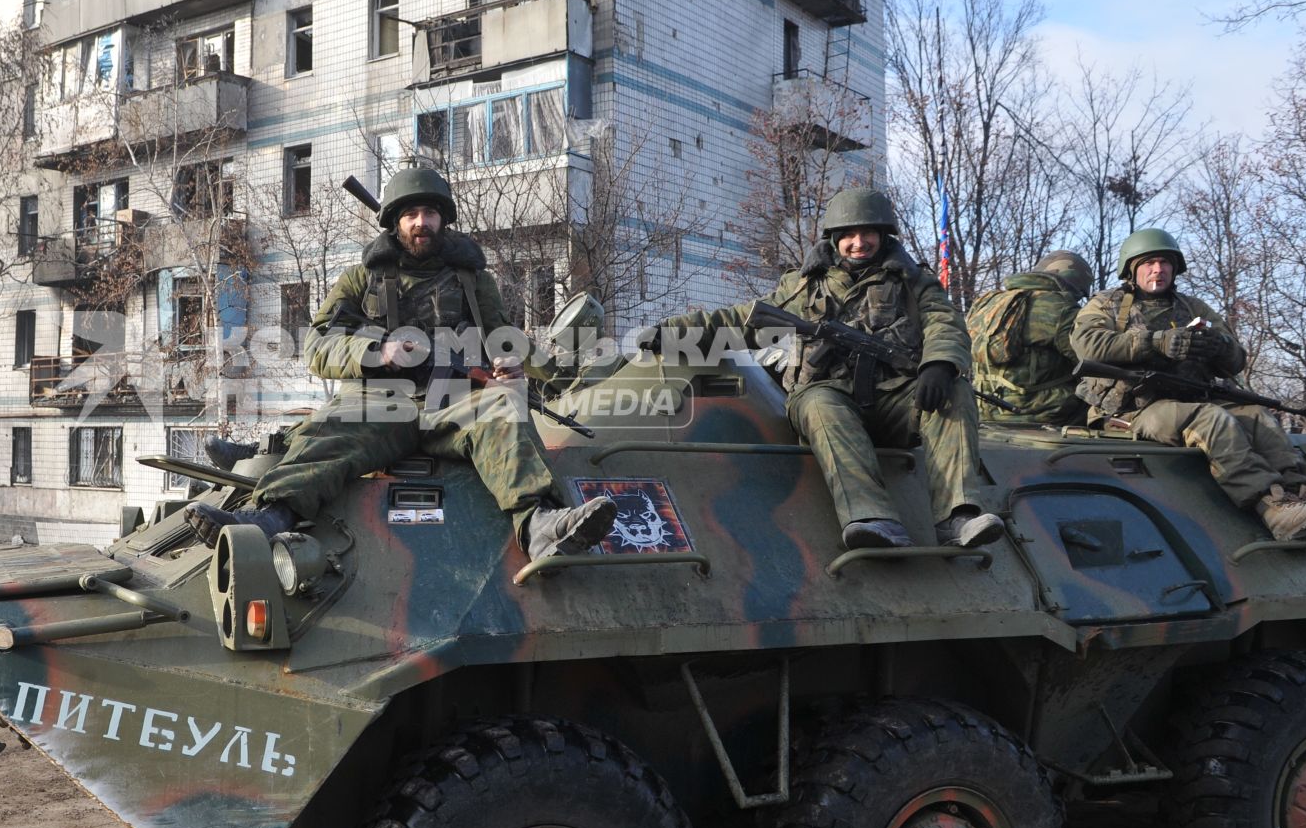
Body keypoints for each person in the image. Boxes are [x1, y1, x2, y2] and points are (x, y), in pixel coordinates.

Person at [185, 166, 617, 563]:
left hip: (454, 402)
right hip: (384, 402)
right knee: (330, 431)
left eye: (429, 213)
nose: (420, 222)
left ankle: (540, 524)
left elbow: (504, 335)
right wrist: (376, 353)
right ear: (395, 221)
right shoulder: (362, 280)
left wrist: (515, 367)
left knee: (505, 409)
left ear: (442, 220)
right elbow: (319, 345)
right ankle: (269, 518)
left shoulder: (473, 281)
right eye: (410, 213)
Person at [654, 187, 1005, 552]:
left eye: (867, 233)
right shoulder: (805, 284)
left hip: (893, 399)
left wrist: (939, 365)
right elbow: (742, 321)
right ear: (834, 238)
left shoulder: (913, 281)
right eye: (848, 235)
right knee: (821, 403)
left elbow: (944, 323)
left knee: (956, 391)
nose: (858, 243)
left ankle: (958, 517)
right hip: (828, 396)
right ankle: (872, 518)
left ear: (883, 236)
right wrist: (671, 333)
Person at [1072, 228, 1306, 542]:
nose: (1158, 270)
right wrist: (1154, 343)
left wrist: (1219, 346)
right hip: (1132, 410)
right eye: (1150, 262)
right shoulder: (1107, 304)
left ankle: (1299, 498)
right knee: (1212, 421)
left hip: (1191, 400)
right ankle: (1273, 510)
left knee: (1257, 416)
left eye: (1165, 263)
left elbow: (1235, 360)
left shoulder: (1194, 308)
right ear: (1132, 268)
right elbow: (1087, 344)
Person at [966, 251, 1093, 426]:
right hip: (1044, 416)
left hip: (981, 412)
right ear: (1076, 285)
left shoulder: (987, 302)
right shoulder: (1061, 307)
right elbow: (1091, 362)